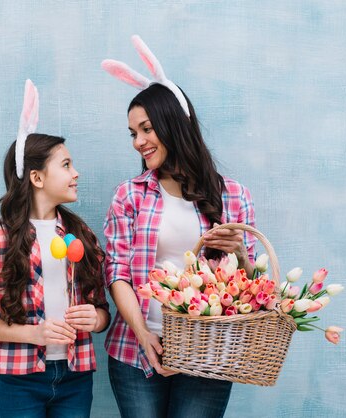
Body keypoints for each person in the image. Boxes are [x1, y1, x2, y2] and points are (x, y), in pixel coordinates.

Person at [101, 36, 257, 418]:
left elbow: (256, 289)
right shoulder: (129, 195)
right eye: (133, 133)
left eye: (146, 129)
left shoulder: (234, 195)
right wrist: (145, 336)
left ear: (174, 125)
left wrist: (238, 252)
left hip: (209, 353)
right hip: (135, 351)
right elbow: (116, 272)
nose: (138, 141)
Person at [0, 80, 110, 418]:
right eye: (66, 165)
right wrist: (33, 334)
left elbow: (102, 310)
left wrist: (96, 319)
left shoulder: (81, 234)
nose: (76, 173)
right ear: (37, 178)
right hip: (21, 378)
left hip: (76, 375)